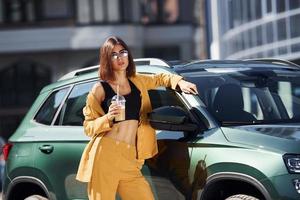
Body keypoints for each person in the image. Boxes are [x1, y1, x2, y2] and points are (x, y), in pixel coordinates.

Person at [76, 36, 198, 200]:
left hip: (131, 158)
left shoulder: (137, 81)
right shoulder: (100, 89)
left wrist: (180, 82)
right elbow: (88, 127)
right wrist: (108, 117)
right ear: (106, 59)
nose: (120, 58)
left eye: (123, 52)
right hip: (106, 155)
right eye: (113, 55)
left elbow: (161, 78)